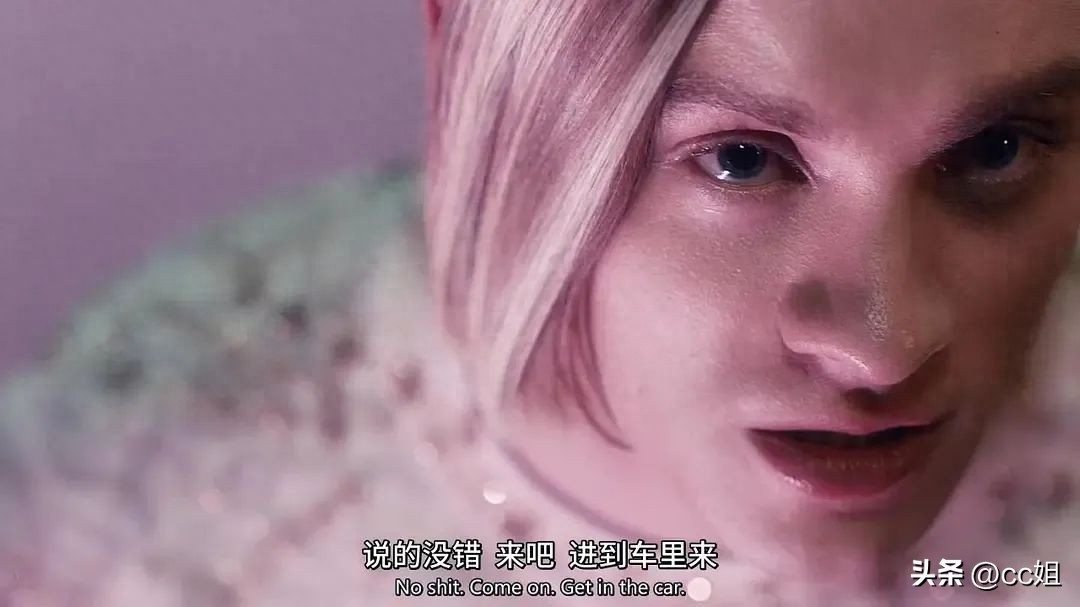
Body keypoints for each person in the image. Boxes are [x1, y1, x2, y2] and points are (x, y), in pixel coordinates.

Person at [2, 0, 1079, 605]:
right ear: (481, 68)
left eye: (996, 149)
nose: (886, 350)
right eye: (744, 159)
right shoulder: (150, 514)